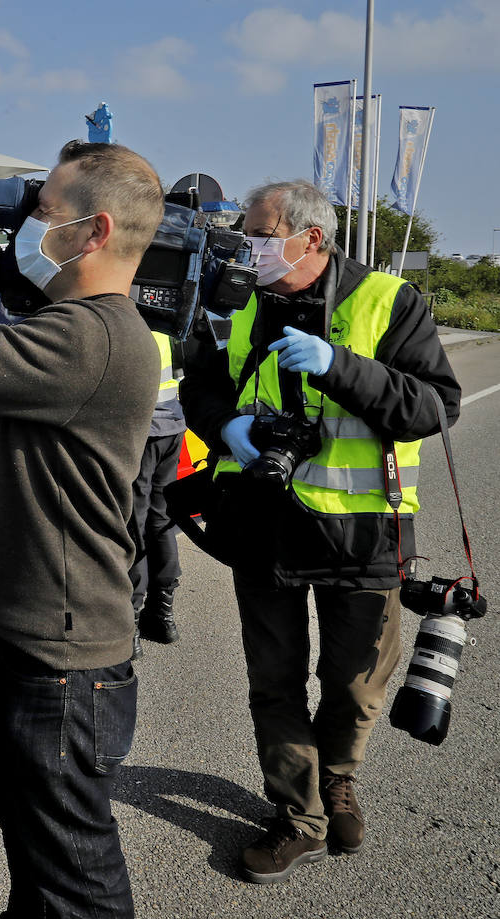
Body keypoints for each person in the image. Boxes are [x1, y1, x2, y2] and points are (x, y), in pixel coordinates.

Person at [0, 141, 166, 918]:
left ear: (92, 230)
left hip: (61, 658)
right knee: (38, 852)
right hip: (29, 633)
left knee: (78, 876)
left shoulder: (94, 334)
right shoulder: (70, 324)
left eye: (42, 211)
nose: (26, 225)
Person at [179, 180, 460, 884]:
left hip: (363, 537)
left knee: (356, 685)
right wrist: (227, 426)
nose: (249, 247)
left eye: (261, 233)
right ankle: (298, 815)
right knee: (273, 681)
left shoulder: (388, 300)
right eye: (247, 233)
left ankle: (338, 778)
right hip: (263, 527)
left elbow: (432, 406)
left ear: (312, 238)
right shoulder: (235, 295)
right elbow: (199, 382)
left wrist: (341, 369)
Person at [129, 330, 185, 658]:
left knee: (132, 524)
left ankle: (132, 623)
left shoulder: (130, 315)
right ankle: (162, 617)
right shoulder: (169, 315)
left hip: (143, 432)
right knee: (161, 522)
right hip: (173, 426)